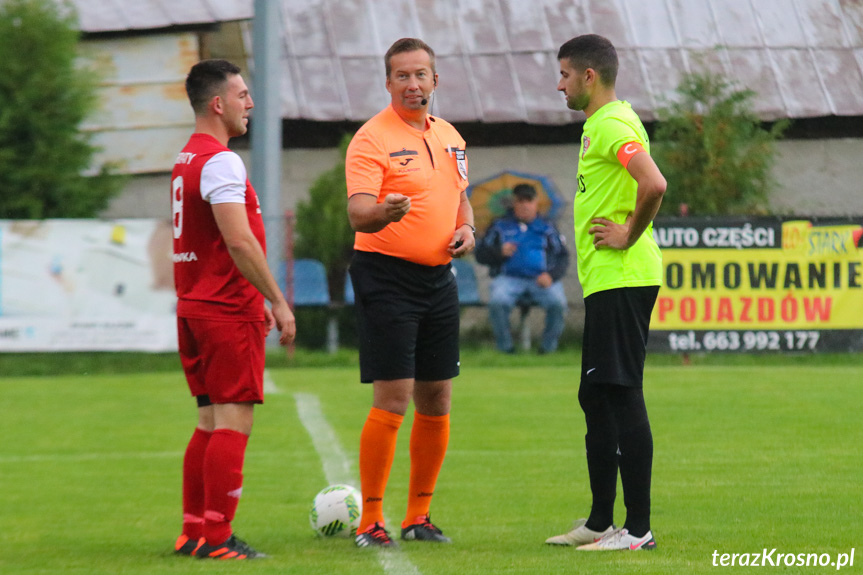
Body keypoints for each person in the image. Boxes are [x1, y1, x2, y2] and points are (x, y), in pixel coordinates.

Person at [345, 37, 475, 548]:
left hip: (439, 278)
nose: (413, 83)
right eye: (402, 75)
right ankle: (370, 520)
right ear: (388, 82)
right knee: (394, 398)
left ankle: (418, 516)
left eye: (421, 74)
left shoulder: (451, 136)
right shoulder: (371, 139)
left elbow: (461, 200)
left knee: (437, 397)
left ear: (435, 81)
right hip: (386, 276)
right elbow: (358, 213)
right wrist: (385, 211)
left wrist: (469, 230)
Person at [171, 59, 296, 560]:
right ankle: (218, 539)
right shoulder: (221, 161)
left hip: (196, 305)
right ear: (218, 103)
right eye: (243, 95)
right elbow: (239, 241)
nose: (250, 104)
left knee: (208, 421)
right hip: (224, 310)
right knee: (232, 422)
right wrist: (277, 298)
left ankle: (193, 531)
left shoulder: (187, 157)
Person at [545, 35, 666, 551]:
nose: (560, 84)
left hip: (623, 276)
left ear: (588, 77)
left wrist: (628, 233)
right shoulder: (604, 123)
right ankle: (600, 520)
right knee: (595, 395)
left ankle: (637, 529)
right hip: (608, 281)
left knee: (620, 393)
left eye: (565, 74)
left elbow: (654, 184)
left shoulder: (612, 123)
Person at [475, 183, 569, 354]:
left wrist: (551, 276)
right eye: (520, 201)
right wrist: (498, 252)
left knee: (558, 303)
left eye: (529, 200)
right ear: (513, 203)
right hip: (509, 279)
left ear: (536, 203)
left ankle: (547, 349)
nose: (525, 205)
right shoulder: (499, 226)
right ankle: (506, 348)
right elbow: (480, 254)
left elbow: (563, 256)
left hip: (541, 279)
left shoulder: (547, 227)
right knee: (498, 301)